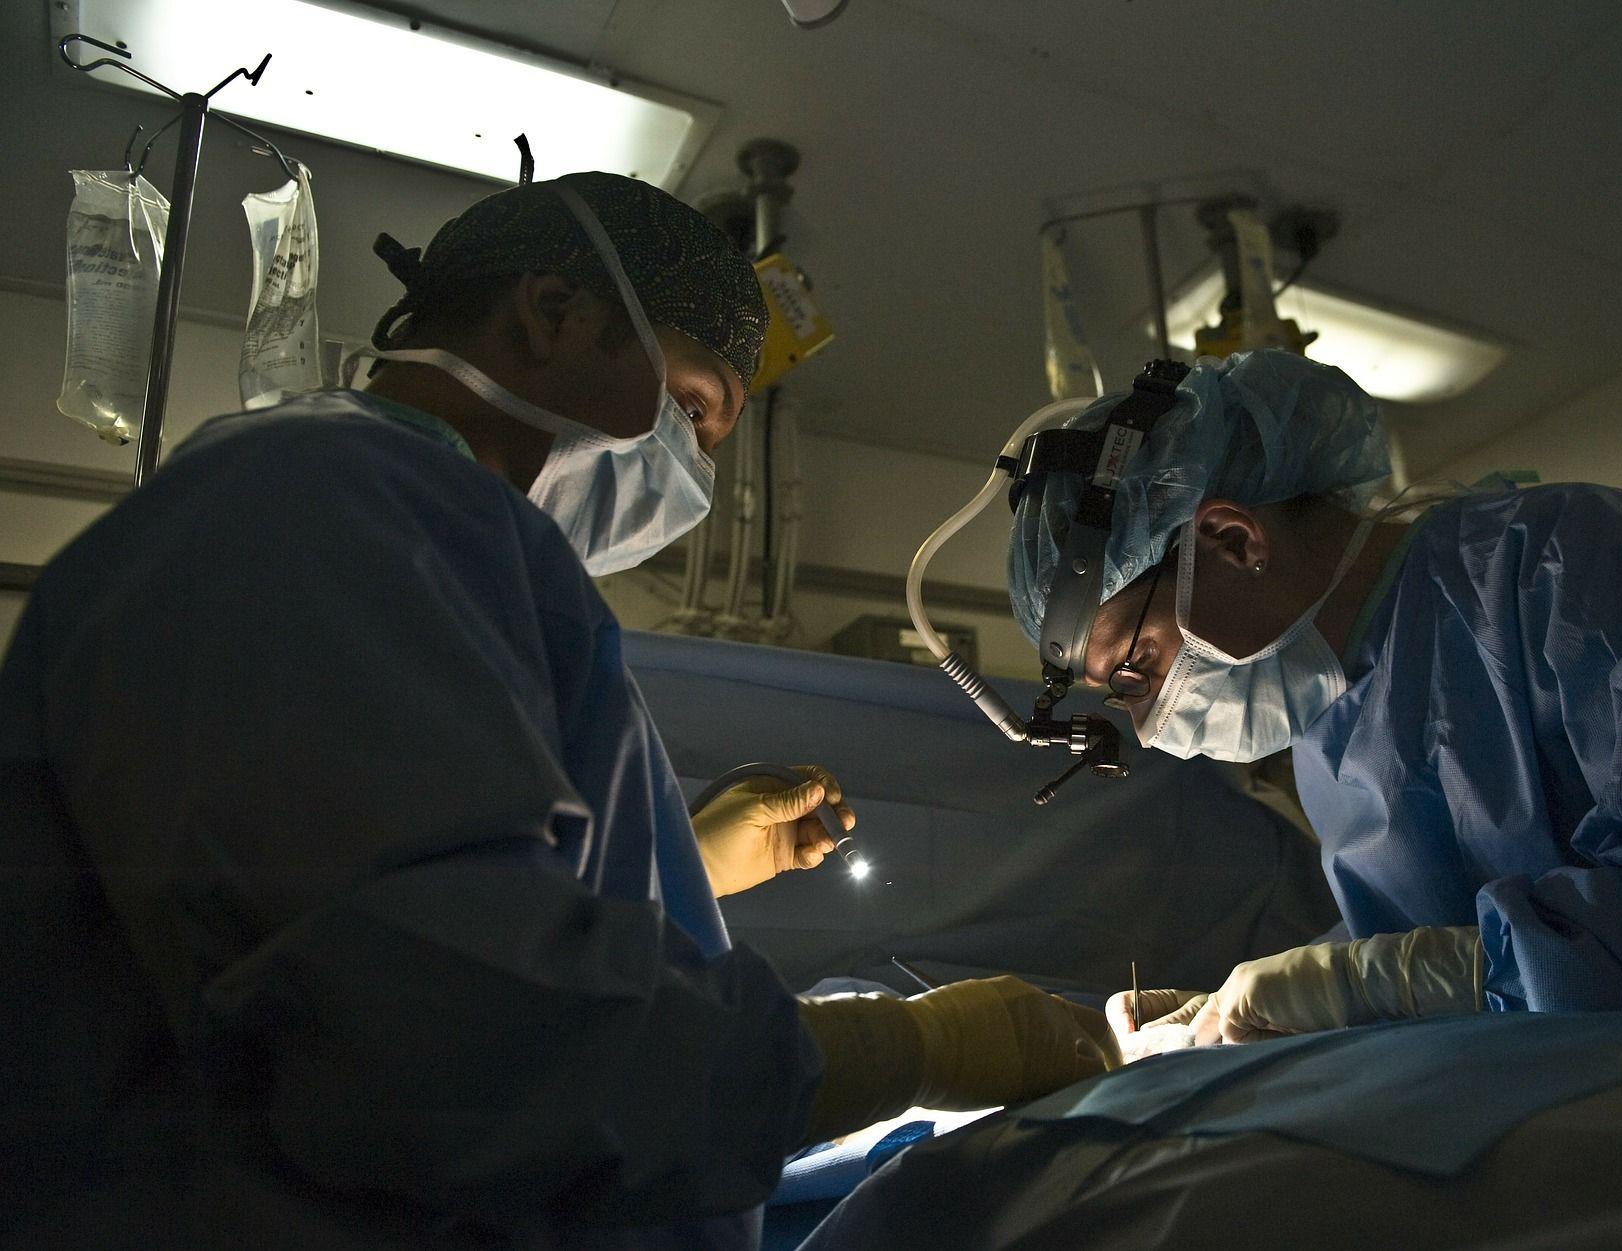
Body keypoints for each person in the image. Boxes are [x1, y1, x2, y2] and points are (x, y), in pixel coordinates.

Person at [0, 172, 1115, 1250]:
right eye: (690, 407)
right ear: (554, 312)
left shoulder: (423, 538)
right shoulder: (316, 505)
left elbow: (393, 881)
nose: (688, 475)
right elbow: (449, 1033)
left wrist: (685, 862)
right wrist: (914, 1047)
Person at [1005, 349, 1622, 1051]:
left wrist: (1369, 983)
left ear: (1236, 539)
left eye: (1138, 667)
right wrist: (1259, 996)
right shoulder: (1331, 725)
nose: (1147, 719)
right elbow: (1426, 941)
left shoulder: (1577, 566)